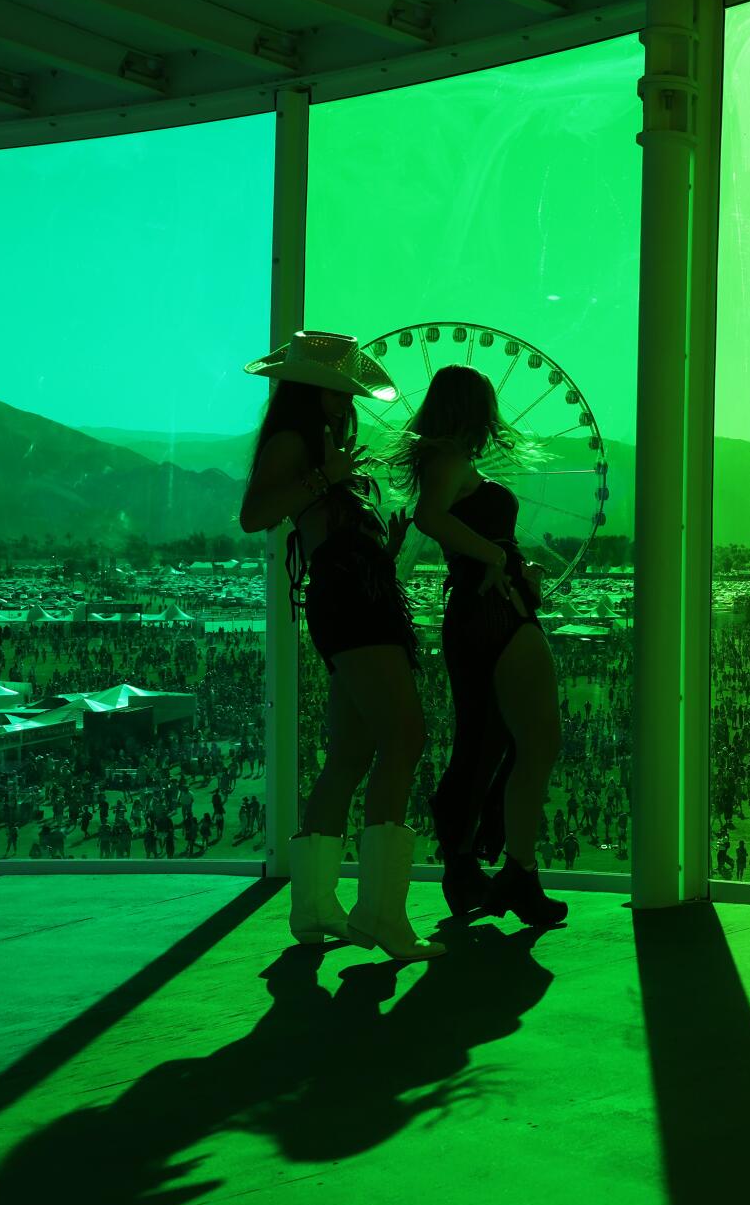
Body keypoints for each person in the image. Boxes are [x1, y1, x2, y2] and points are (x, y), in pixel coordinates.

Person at [238, 331, 441, 961]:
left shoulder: (317, 443)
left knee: (351, 754)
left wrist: (386, 550)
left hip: (352, 595)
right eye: (341, 390)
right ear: (320, 390)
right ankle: (379, 913)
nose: (347, 401)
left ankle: (315, 907)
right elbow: (254, 514)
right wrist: (325, 475)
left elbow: (326, 532)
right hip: (353, 604)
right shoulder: (298, 443)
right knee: (405, 736)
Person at [388, 364, 567, 928]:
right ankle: (517, 870)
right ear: (472, 409)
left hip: (475, 611)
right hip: (498, 613)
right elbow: (430, 518)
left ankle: (474, 863)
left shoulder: (445, 461)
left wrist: (511, 559)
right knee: (537, 742)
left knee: (486, 740)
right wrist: (495, 557)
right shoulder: (450, 462)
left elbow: (454, 526)